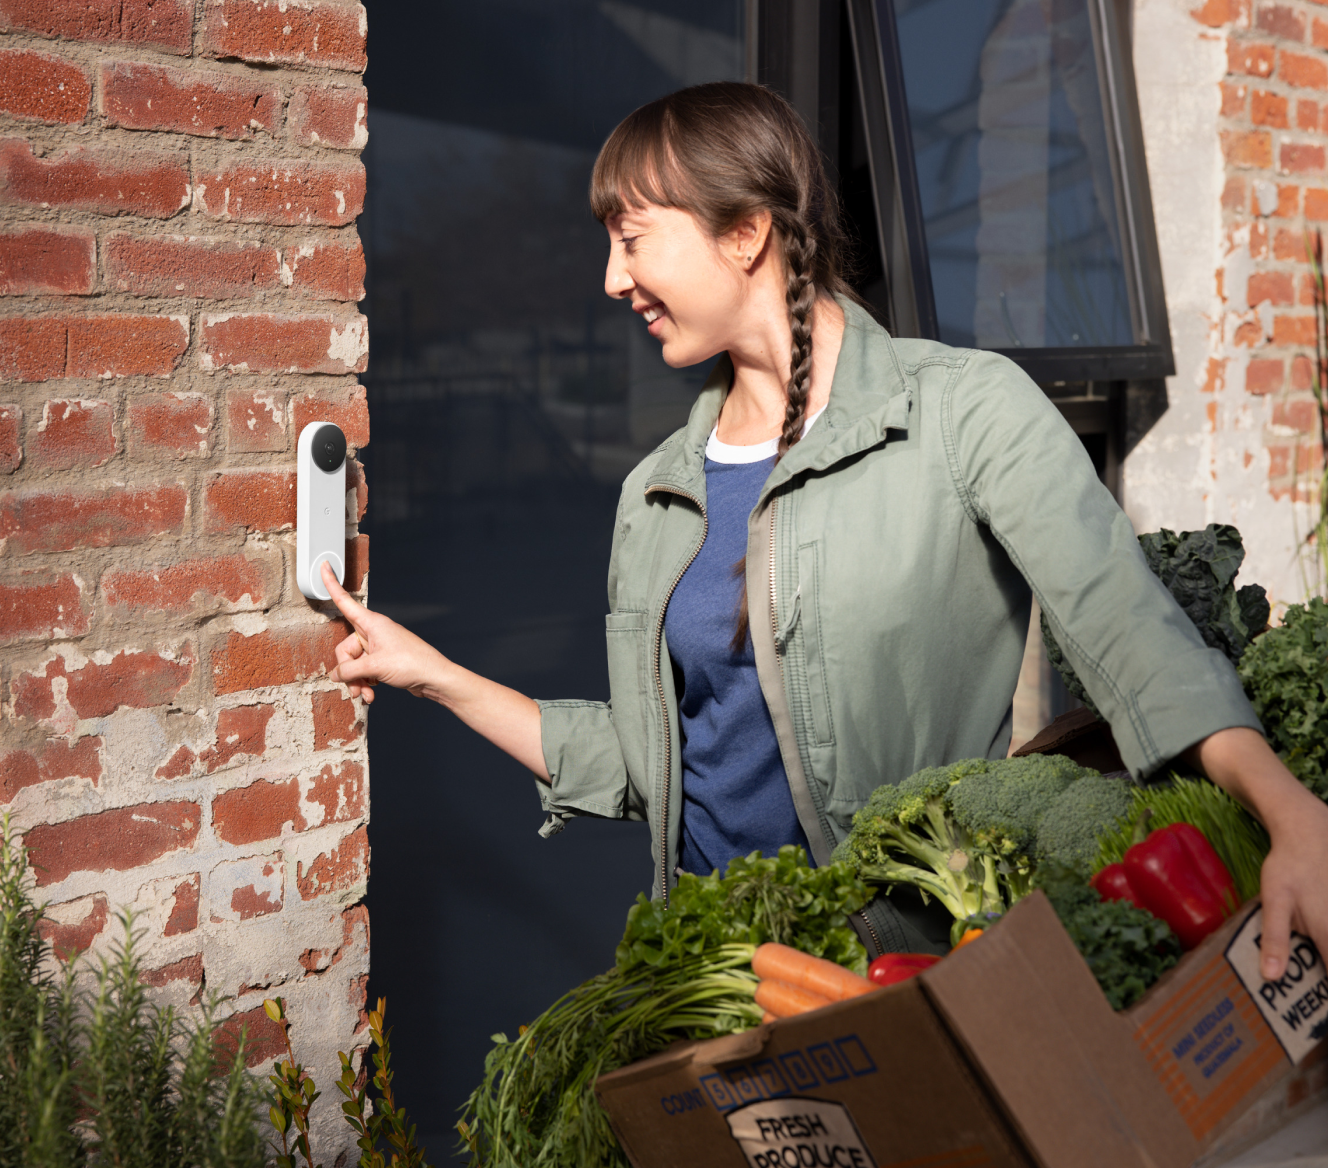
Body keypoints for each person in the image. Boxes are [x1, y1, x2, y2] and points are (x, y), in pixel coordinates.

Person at [321, 82, 1328, 973]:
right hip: (716, 978)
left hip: (912, 976)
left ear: (745, 232)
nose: (610, 279)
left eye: (631, 239)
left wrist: (1290, 816)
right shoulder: (656, 493)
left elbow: (1130, 636)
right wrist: (433, 676)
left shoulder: (961, 411)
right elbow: (649, 763)